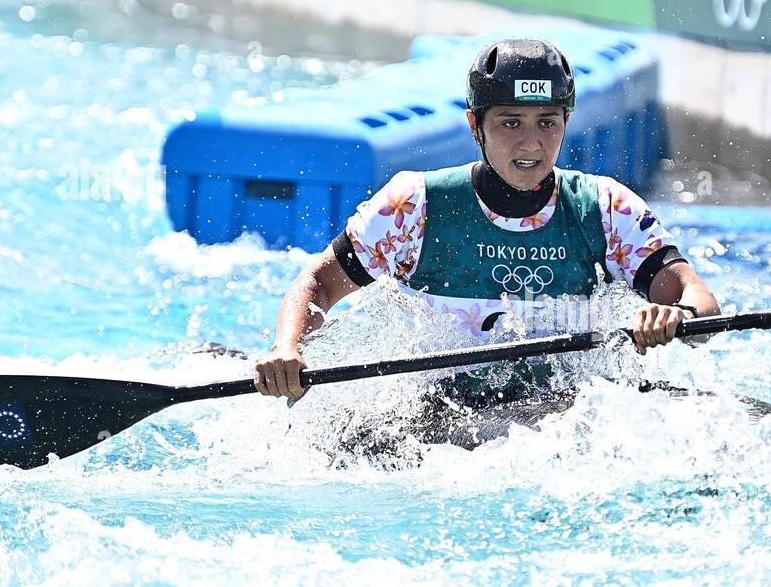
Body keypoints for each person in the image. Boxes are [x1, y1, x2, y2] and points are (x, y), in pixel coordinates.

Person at [254, 37, 720, 405]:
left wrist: (676, 314)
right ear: (476, 126)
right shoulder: (412, 206)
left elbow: (697, 298)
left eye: (547, 122)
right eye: (510, 123)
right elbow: (318, 282)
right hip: (438, 416)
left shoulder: (605, 207)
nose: (532, 144)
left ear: (566, 121)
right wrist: (287, 348)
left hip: (564, 413)